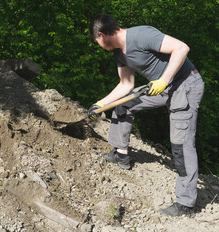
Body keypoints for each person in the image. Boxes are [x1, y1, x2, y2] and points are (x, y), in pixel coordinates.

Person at [87, 14, 204, 217]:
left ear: (101, 35)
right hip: (163, 89)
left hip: (185, 85)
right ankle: (121, 154)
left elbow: (182, 48)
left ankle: (186, 204)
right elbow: (126, 85)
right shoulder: (119, 54)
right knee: (123, 105)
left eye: (96, 41)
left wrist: (163, 80)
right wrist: (101, 104)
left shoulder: (141, 35)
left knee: (180, 143)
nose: (98, 45)